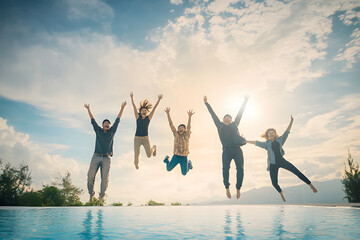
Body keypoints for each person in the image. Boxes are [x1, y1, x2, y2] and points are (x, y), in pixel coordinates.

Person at [247, 115, 318, 202]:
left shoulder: (280, 140)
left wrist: (291, 121)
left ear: (275, 134)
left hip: (282, 161)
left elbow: (287, 132)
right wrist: (245, 141)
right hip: (273, 164)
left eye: (273, 132)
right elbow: (256, 143)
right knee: (274, 183)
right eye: (269, 133)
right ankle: (281, 192)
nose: (271, 133)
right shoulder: (266, 144)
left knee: (296, 171)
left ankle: (310, 185)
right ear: (267, 135)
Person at [204, 95, 249, 199]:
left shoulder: (235, 124)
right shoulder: (219, 125)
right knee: (225, 169)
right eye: (225, 118)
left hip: (237, 150)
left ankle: (238, 188)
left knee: (240, 169)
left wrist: (245, 101)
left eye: (228, 118)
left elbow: (240, 113)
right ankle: (227, 188)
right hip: (226, 151)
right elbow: (213, 115)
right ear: (223, 120)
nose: (226, 119)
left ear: (231, 120)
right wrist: (207, 103)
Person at [84, 102, 126, 205]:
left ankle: (101, 196)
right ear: (102, 125)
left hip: (106, 159)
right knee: (90, 176)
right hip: (96, 156)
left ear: (109, 125)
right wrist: (88, 109)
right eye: (105, 123)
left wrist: (122, 108)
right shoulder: (98, 131)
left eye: (108, 123)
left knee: (105, 179)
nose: (107, 124)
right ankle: (91, 194)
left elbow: (118, 119)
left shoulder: (112, 131)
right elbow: (92, 120)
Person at [130, 92, 163, 169]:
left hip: (145, 139)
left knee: (149, 155)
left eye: (145, 110)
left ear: (147, 112)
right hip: (137, 139)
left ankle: (154, 148)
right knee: (136, 154)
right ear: (140, 112)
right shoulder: (137, 117)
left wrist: (158, 100)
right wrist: (132, 98)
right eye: (142, 110)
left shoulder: (148, 118)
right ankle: (136, 164)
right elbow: (134, 107)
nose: (144, 111)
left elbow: (154, 108)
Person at [163, 107, 194, 175]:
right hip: (176, 156)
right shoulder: (176, 134)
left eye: (182, 128)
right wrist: (168, 113)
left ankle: (189, 164)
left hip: (184, 157)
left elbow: (189, 126)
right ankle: (166, 160)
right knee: (168, 169)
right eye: (179, 128)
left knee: (184, 173)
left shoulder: (187, 135)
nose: (180, 129)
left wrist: (189, 116)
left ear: (184, 129)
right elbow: (171, 125)